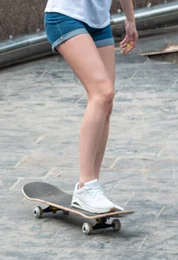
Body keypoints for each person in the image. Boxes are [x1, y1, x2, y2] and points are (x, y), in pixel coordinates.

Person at [44, 0, 138, 213]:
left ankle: (91, 186)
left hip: (98, 22)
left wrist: (130, 20)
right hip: (65, 16)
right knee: (102, 93)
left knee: (106, 102)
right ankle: (85, 185)